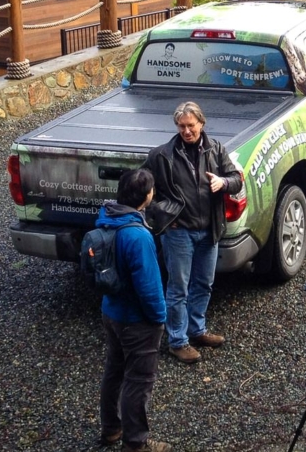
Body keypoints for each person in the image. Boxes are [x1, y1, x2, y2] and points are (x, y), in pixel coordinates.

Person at [142, 101, 243, 364]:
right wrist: (163, 214)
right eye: (181, 126)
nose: (187, 131)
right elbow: (140, 187)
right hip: (179, 233)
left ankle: (196, 331)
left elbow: (237, 180)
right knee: (178, 289)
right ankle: (178, 341)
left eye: (191, 125)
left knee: (204, 284)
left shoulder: (216, 149)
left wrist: (223, 182)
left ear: (202, 123)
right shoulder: (162, 155)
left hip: (208, 231)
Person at [98, 168, 171, 452]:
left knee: (114, 371)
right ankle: (136, 442)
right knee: (138, 381)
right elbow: (149, 287)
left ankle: (111, 429)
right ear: (147, 196)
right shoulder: (138, 237)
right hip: (136, 320)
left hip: (110, 311)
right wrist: (159, 319)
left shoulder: (107, 219)